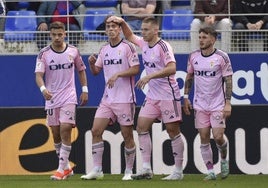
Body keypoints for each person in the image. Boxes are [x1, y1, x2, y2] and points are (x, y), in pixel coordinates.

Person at [108, 15, 185, 181]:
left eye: (146, 30)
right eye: (142, 29)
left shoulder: (163, 46)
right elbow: (129, 36)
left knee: (173, 131)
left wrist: (150, 77)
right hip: (152, 96)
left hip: (168, 95)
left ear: (155, 30)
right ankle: (146, 169)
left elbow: (172, 68)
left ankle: (178, 171)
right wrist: (122, 22)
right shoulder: (143, 44)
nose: (142, 33)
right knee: (141, 126)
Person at [80, 15, 140, 181]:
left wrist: (118, 74)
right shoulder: (104, 49)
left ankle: (128, 171)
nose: (111, 29)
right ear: (106, 30)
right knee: (96, 130)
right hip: (107, 98)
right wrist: (91, 63)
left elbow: (136, 69)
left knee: (127, 135)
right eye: (108, 27)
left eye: (114, 27)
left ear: (120, 29)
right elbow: (95, 71)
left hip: (125, 99)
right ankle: (98, 169)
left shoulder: (128, 47)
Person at [35, 21, 88, 180]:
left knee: (65, 128)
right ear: (50, 35)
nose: (57, 38)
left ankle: (60, 170)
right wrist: (43, 90)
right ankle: (66, 168)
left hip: (69, 97)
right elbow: (38, 75)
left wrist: (84, 89)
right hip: (52, 98)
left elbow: (81, 70)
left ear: (65, 34)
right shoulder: (44, 53)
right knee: (56, 134)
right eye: (54, 35)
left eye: (60, 34)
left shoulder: (73, 51)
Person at [183, 26, 233, 181]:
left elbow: (228, 80)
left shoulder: (222, 57)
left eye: (204, 37)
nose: (201, 40)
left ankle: (224, 160)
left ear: (213, 39)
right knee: (203, 136)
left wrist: (228, 103)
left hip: (217, 104)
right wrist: (185, 97)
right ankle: (210, 171)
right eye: (199, 37)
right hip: (200, 104)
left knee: (218, 137)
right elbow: (189, 77)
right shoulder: (193, 56)